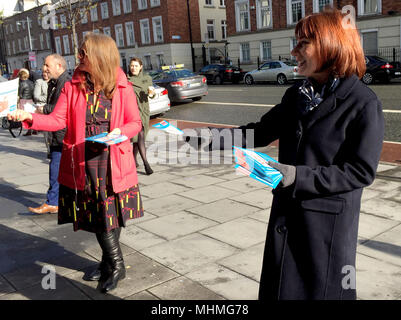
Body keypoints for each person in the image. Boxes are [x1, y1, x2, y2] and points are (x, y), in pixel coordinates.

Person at [184, 9, 384, 300]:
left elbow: (360, 171)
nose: (294, 51)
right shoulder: (297, 95)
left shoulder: (363, 103)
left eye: (303, 43)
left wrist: (296, 176)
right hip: (286, 216)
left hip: (325, 227)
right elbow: (259, 131)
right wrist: (206, 139)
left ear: (331, 45)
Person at [8, 33, 144, 293]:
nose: (79, 57)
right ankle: (110, 264)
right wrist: (29, 116)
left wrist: (121, 133)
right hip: (84, 161)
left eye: (83, 53)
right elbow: (58, 120)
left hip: (113, 159)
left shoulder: (122, 85)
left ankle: (115, 265)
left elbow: (135, 122)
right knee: (99, 217)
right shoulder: (73, 85)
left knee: (109, 216)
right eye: (79, 53)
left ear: (100, 57)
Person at [28, 54, 70, 215]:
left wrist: (42, 109)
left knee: (55, 167)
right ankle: (57, 200)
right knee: (57, 167)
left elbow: (60, 109)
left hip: (61, 135)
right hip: (57, 134)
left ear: (59, 66)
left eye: (47, 65)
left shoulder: (64, 83)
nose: (44, 68)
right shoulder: (56, 83)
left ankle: (53, 202)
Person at [127, 57, 155, 175]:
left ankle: (133, 159)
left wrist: (152, 94)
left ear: (141, 67)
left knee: (138, 140)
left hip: (144, 110)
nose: (133, 68)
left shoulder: (147, 78)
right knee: (140, 136)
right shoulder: (126, 79)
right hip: (132, 112)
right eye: (132, 66)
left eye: (136, 66)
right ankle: (146, 164)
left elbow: (151, 94)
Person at [17, 68, 36, 136]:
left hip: (24, 100)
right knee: (31, 115)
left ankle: (29, 130)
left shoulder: (22, 84)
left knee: (25, 116)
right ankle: (34, 129)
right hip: (30, 100)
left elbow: (20, 94)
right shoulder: (31, 82)